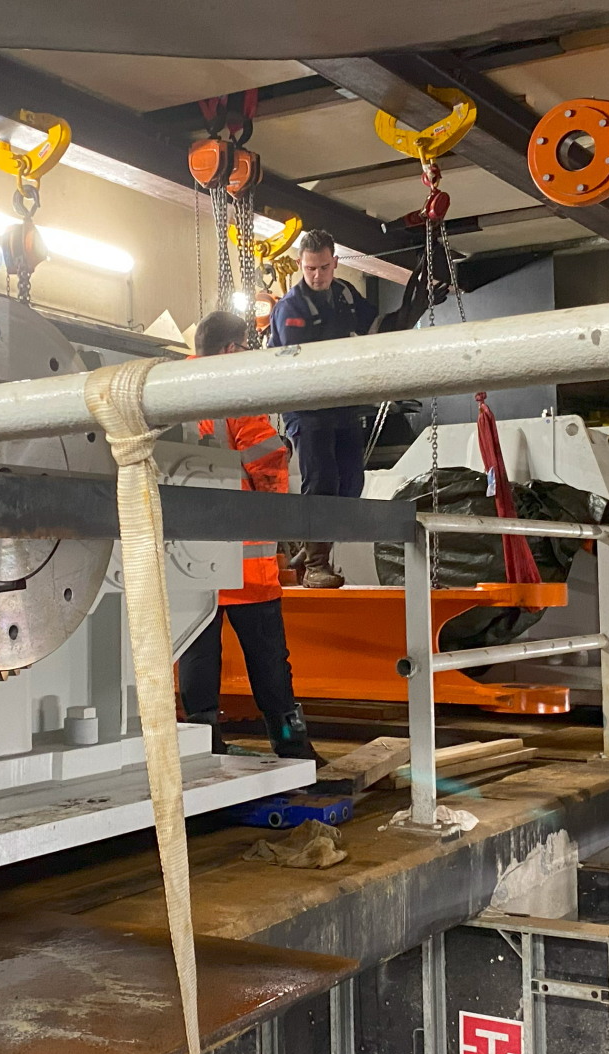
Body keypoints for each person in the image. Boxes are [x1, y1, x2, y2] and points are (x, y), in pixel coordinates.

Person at [176, 311, 320, 762]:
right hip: (246, 567)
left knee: (198, 659)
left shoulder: (173, 394)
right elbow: (269, 461)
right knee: (270, 665)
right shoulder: (234, 394)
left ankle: (203, 747)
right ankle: (290, 743)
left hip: (190, 564)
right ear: (232, 350)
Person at [268, 229, 377, 588]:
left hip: (343, 403)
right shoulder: (291, 308)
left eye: (324, 268)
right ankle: (316, 565)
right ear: (301, 264)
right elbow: (298, 361)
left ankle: (306, 550)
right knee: (322, 480)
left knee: (351, 482)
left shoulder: (345, 294)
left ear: (334, 263)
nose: (317, 275)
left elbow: (374, 326)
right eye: (310, 268)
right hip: (309, 408)